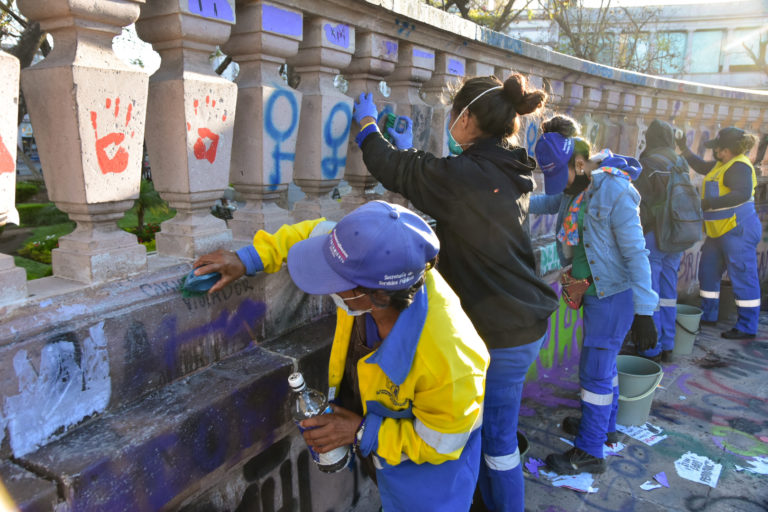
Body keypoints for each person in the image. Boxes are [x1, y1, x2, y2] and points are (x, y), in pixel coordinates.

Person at [192, 201, 490, 512]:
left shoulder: (451, 357)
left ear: (378, 296)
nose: (327, 286)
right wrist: (249, 259)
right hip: (383, 456)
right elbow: (312, 236)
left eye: (337, 281)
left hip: (428, 485)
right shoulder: (374, 261)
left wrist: (361, 431)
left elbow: (440, 444)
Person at [352, 74, 560, 512]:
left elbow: (397, 170)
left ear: (466, 119)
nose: (450, 121)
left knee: (497, 442)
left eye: (453, 114)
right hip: (520, 321)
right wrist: (410, 150)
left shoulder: (469, 175)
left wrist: (368, 126)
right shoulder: (505, 166)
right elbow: (446, 181)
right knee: (485, 433)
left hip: (503, 331)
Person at [530, 115, 658, 474]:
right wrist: (515, 204)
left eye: (563, 176)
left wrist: (645, 310)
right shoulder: (576, 190)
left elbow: (636, 253)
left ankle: (589, 452)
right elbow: (547, 202)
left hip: (612, 294)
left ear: (581, 163)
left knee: (595, 374)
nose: (560, 186)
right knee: (604, 369)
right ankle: (604, 428)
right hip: (592, 290)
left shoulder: (613, 191)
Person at [676, 127, 761, 339]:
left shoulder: (739, 167)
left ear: (728, 149)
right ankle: (708, 314)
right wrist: (684, 149)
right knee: (707, 272)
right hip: (718, 232)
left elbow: (740, 194)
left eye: (718, 150)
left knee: (742, 277)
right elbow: (702, 166)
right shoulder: (721, 164)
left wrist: (706, 203)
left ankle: (747, 327)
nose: (715, 153)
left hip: (738, 230)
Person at [632, 120, 689, 363]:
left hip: (655, 235)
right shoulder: (680, 162)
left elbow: (638, 203)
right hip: (678, 235)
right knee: (667, 292)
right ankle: (667, 344)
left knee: (650, 292)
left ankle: (650, 350)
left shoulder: (647, 164)